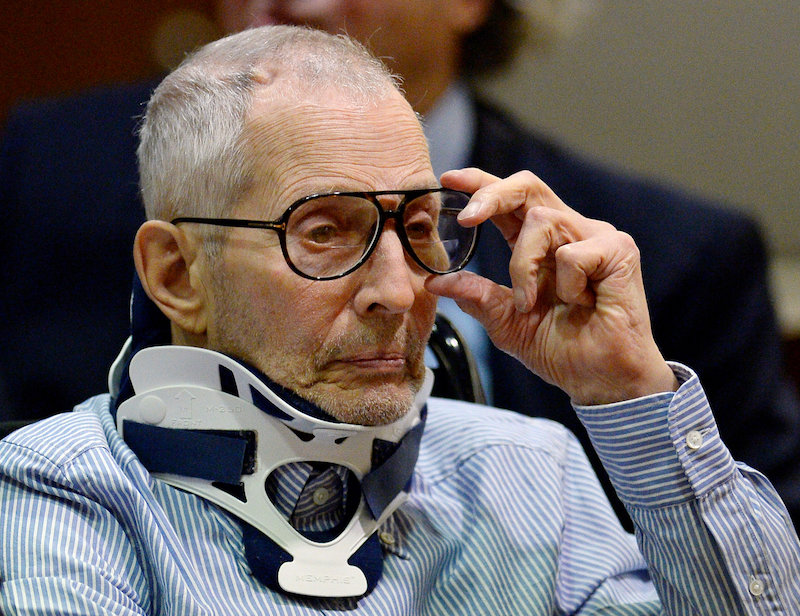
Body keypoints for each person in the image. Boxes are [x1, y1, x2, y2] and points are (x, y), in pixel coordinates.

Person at [0, 26, 798, 614]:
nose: (398, 290)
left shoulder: (531, 475)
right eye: (322, 230)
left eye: (419, 228)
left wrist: (630, 395)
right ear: (177, 274)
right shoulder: (64, 487)